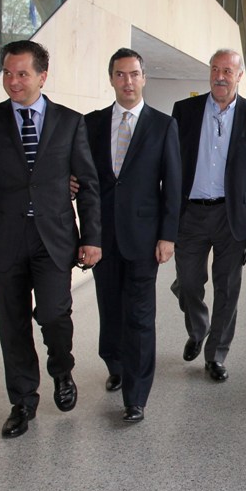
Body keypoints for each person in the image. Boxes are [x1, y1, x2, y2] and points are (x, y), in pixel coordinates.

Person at [0, 40, 102, 439]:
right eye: (8, 73)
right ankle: (22, 402)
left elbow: (87, 184)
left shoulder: (70, 122)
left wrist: (92, 237)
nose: (13, 82)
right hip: (5, 239)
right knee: (12, 324)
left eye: (22, 74)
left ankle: (62, 369)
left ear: (42, 76)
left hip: (53, 238)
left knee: (54, 313)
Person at [83, 48, 180, 423]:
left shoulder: (162, 125)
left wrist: (167, 235)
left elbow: (172, 184)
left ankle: (136, 395)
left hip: (144, 237)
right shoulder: (90, 124)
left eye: (134, 74)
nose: (127, 81)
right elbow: (83, 176)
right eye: (120, 75)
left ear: (144, 78)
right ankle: (116, 364)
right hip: (101, 237)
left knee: (140, 315)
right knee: (110, 309)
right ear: (111, 79)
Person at [172, 49, 246, 382]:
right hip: (191, 214)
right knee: (188, 283)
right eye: (215, 69)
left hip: (234, 214)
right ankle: (198, 329)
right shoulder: (184, 111)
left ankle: (215, 354)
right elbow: (171, 163)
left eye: (227, 70)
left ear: (239, 76)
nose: (220, 76)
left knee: (227, 288)